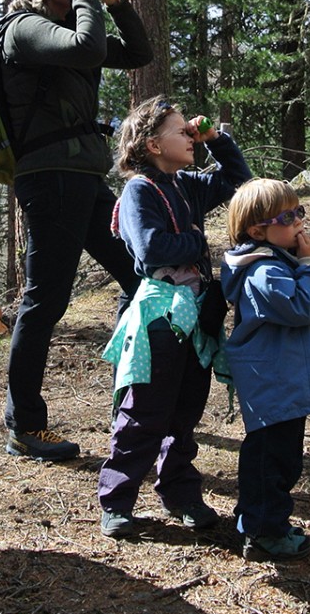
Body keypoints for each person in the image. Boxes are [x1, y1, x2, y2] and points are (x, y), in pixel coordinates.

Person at [1, 0, 153, 461]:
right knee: (46, 299)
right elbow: (89, 50)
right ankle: (25, 424)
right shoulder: (23, 28)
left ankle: (129, 397)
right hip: (50, 177)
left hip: (82, 175)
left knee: (137, 275)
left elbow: (138, 53)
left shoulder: (74, 24)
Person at [96, 97, 252, 538]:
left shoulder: (185, 184)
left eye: (190, 130)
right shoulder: (139, 191)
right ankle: (117, 500)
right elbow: (150, 249)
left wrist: (216, 139)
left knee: (185, 411)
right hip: (157, 321)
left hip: (197, 317)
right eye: (181, 131)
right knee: (144, 410)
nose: (190, 136)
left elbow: (238, 181)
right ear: (152, 145)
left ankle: (180, 492)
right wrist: (197, 240)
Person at [220, 180, 310, 561]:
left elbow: (297, 312)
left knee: (280, 458)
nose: (299, 223)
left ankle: (260, 523)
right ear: (258, 231)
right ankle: (263, 532)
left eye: (299, 211)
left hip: (282, 381)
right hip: (274, 383)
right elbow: (297, 307)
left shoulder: (274, 263)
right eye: (288, 217)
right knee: (271, 462)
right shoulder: (262, 270)